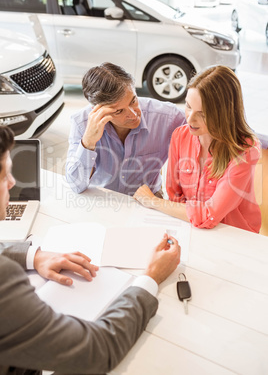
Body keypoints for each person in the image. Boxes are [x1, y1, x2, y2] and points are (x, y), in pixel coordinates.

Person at [0, 126, 181, 374]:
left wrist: (34, 255)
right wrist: (149, 279)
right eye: (3, 176)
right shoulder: (4, 281)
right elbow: (98, 350)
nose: (12, 182)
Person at [134, 65, 262, 233]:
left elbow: (210, 215)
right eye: (188, 106)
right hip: (191, 228)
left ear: (224, 114)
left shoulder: (245, 149)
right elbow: (175, 196)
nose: (190, 118)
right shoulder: (180, 136)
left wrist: (153, 201)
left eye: (202, 114)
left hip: (235, 235)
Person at [65, 62, 186, 196]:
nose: (133, 114)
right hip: (102, 198)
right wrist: (88, 142)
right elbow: (76, 185)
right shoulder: (81, 123)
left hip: (149, 199)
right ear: (97, 110)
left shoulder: (167, 116)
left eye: (133, 101)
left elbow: (205, 126)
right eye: (119, 111)